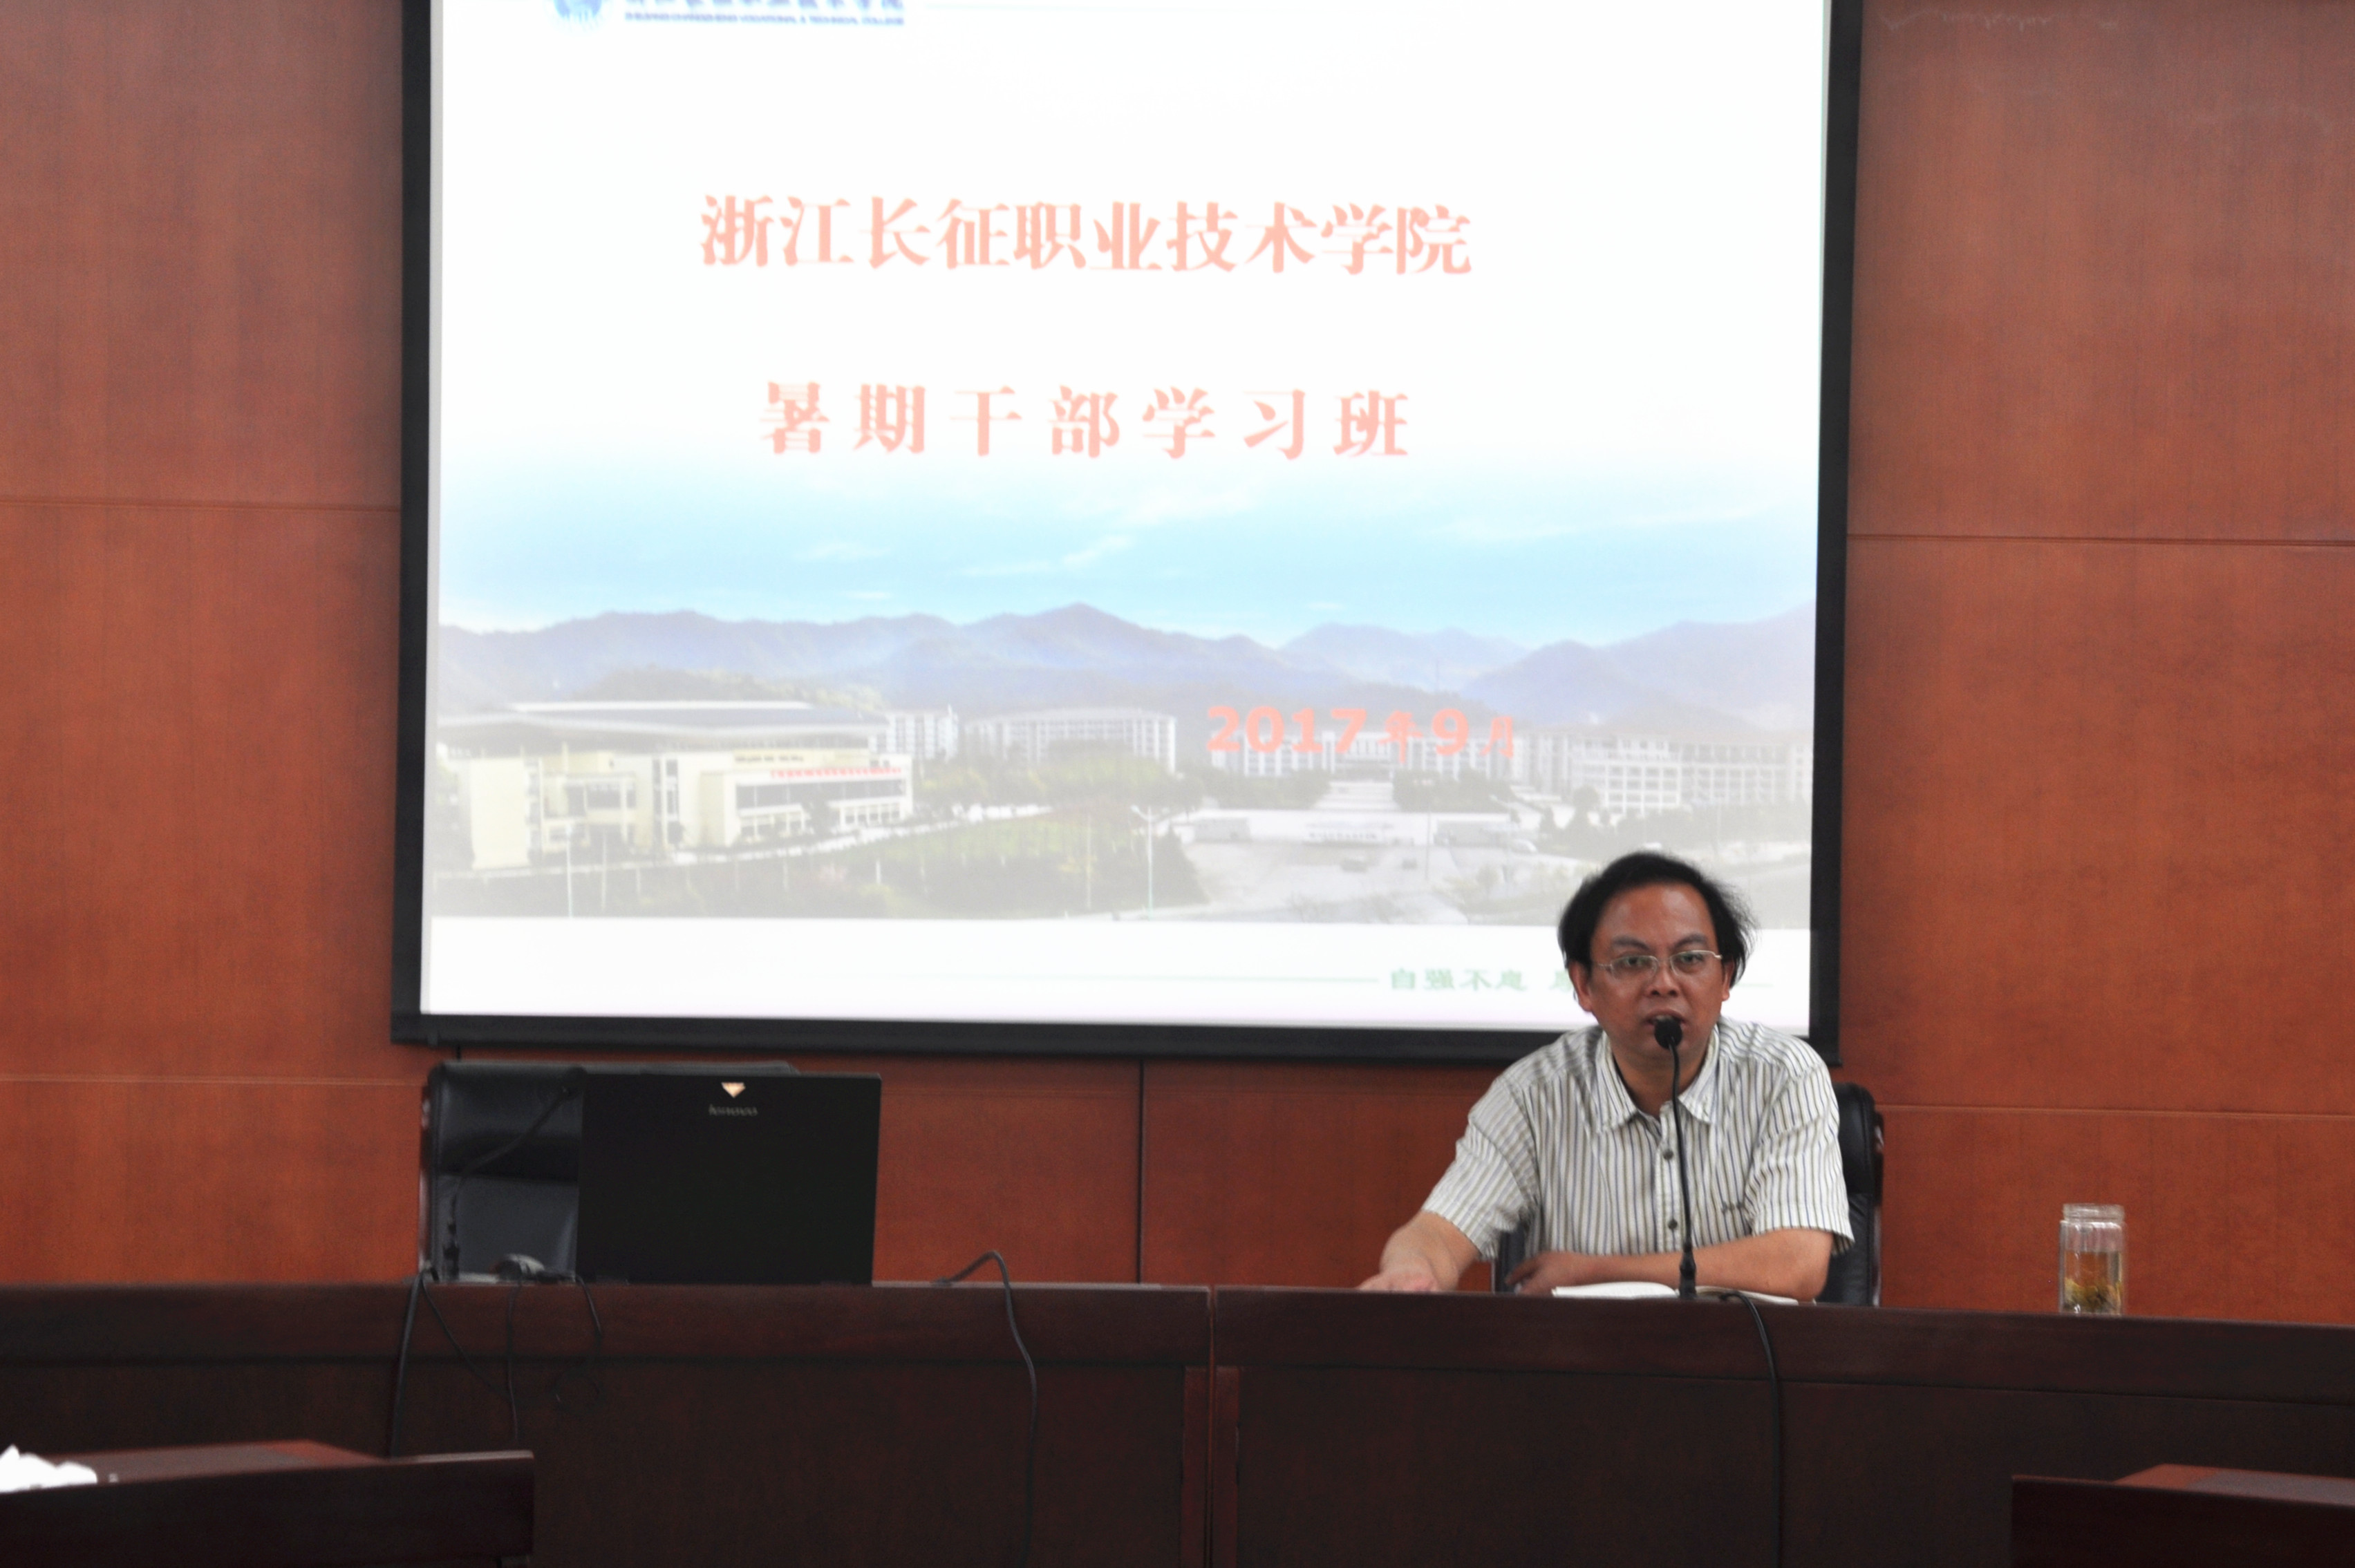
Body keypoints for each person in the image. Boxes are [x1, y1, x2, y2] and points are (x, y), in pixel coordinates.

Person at [1360, 851, 1850, 1298]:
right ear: (1584, 985)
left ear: (1725, 977)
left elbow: (1797, 1265)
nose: (1664, 983)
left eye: (1689, 959)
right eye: (1632, 962)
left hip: (1747, 1363)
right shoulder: (1533, 1096)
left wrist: (1594, 1273)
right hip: (1582, 1363)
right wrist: (1413, 1270)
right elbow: (1437, 1234)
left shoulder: (1783, 1077)